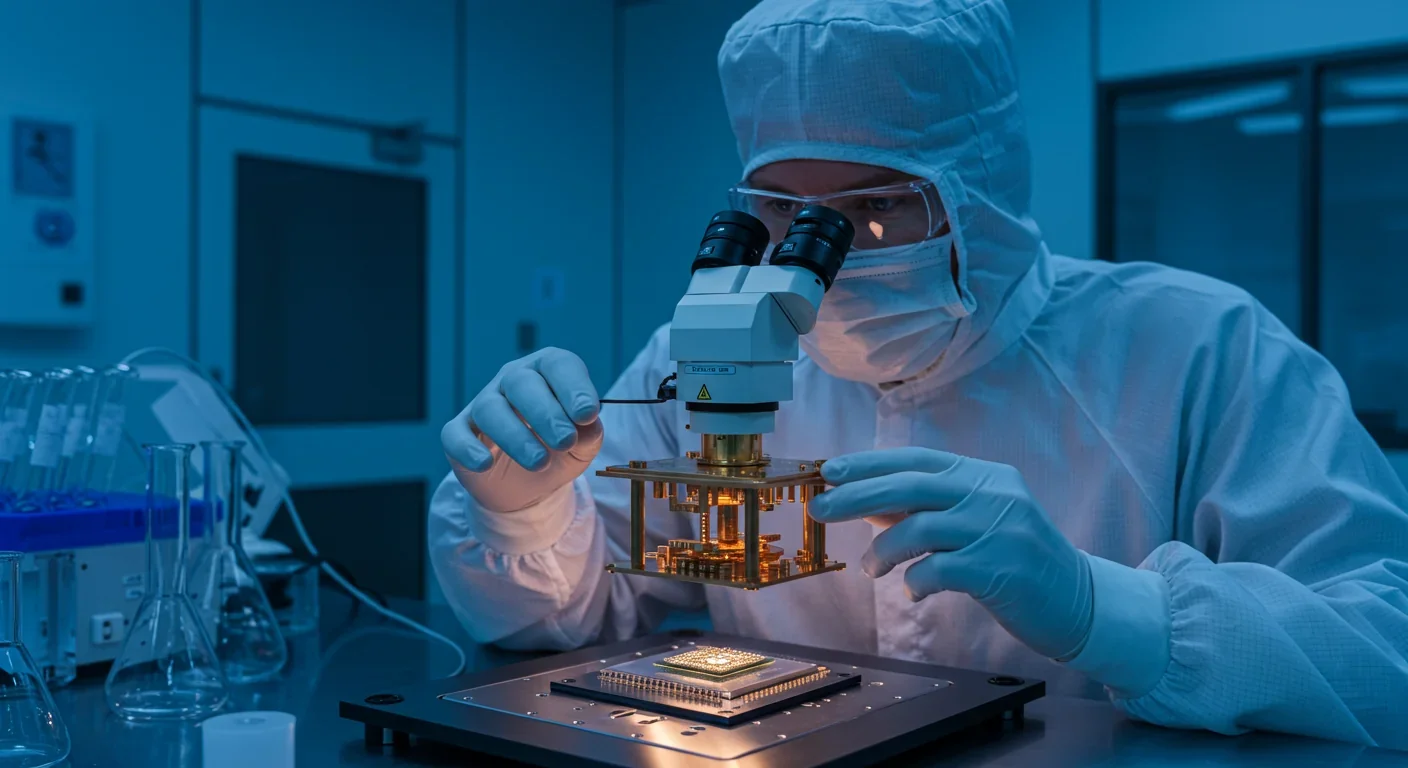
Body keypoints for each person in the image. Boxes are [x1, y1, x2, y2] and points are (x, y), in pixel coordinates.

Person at [431, 0, 1408, 748]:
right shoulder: (710, 354)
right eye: (783, 215)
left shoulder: (1198, 349)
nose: (822, 262)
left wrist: (1104, 609)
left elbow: (1385, 653)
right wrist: (522, 516)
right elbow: (570, 619)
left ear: (977, 194)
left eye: (877, 209)